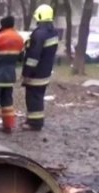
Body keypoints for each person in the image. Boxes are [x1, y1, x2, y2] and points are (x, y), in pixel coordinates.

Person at [21, 4, 59, 132]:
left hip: (36, 74)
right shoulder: (52, 32)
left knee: (33, 98)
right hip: (45, 71)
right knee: (38, 97)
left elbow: (33, 56)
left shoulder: (39, 34)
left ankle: (35, 123)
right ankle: (34, 120)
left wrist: (27, 72)